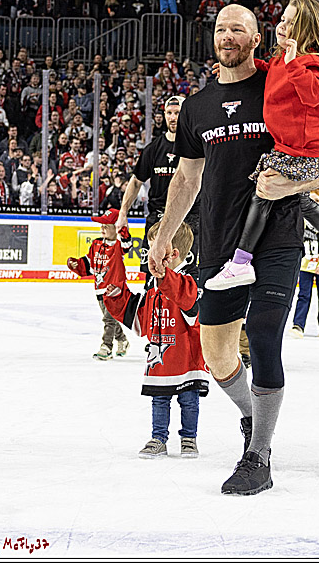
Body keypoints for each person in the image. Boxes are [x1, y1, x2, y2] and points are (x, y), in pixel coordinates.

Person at [147, 3, 319, 496]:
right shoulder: (197, 107)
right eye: (220, 28)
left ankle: (258, 457)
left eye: (239, 28)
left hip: (277, 234)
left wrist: (291, 184)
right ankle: (256, 420)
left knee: (265, 332)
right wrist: (165, 234)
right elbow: (187, 178)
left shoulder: (281, 80)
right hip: (217, 238)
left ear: (257, 39)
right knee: (215, 353)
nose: (227, 34)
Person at [203, 0, 319, 291]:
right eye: (282, 19)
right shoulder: (283, 61)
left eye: (290, 22)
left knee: (262, 194)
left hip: (300, 149)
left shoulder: (313, 63)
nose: (282, 25)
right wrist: (247, 67)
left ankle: (240, 261)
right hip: (290, 146)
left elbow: (315, 96)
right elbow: (272, 73)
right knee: (292, 196)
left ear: (307, 28)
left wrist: (293, 65)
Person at [103, 221, 209, 459]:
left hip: (187, 357)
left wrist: (165, 279)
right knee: (159, 399)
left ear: (172, 255)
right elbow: (141, 316)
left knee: (189, 400)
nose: (149, 256)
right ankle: (158, 438)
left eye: (154, 250)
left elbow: (189, 304)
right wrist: (118, 297)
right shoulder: (154, 285)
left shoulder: (191, 281)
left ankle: (189, 438)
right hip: (159, 356)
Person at [116, 95, 200, 279]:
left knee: (189, 277)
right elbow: (136, 180)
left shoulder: (198, 147)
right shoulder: (153, 148)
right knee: (153, 275)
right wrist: (123, 212)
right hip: (157, 218)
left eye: (177, 113)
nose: (172, 117)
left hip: (190, 219)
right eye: (169, 113)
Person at [65, 208, 132, 360]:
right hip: (99, 289)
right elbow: (89, 264)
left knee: (108, 319)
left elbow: (127, 245)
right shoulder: (96, 244)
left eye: (106, 225)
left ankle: (106, 347)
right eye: (101, 225)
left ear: (115, 228)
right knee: (111, 318)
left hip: (114, 289)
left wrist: (124, 232)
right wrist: (76, 264)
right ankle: (122, 340)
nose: (102, 228)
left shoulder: (118, 245)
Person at [290, 191, 319, 337]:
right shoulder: (301, 220)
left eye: (317, 199)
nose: (314, 202)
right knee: (303, 295)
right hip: (305, 264)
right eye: (311, 200)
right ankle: (298, 326)